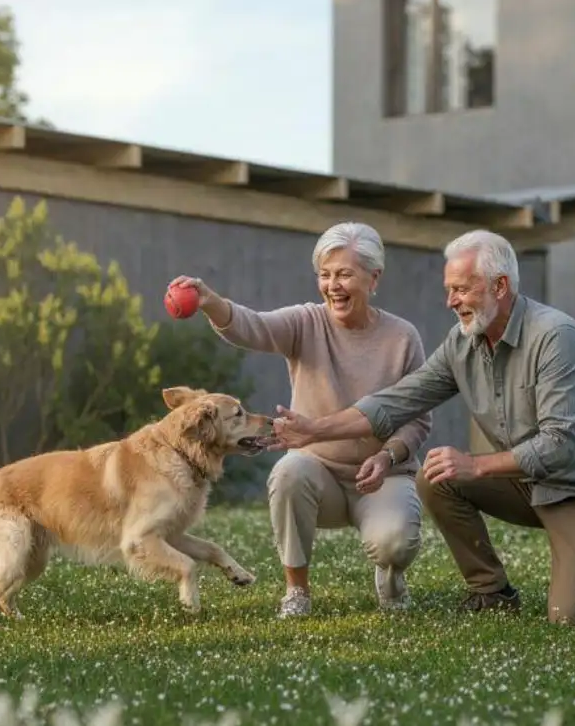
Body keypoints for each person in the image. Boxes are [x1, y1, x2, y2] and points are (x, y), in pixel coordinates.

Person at [270, 229, 575, 624]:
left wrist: (476, 466)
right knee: (438, 476)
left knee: (573, 615)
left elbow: (559, 445)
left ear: (499, 286)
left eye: (461, 289)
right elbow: (398, 400)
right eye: (449, 289)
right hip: (526, 482)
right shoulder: (463, 343)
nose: (450, 301)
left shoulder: (556, 338)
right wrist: (314, 430)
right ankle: (491, 591)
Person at [168, 221, 432, 619]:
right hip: (319, 473)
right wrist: (208, 300)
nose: (333, 285)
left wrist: (389, 457)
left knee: (394, 543)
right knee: (289, 472)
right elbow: (250, 326)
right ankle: (297, 592)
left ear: (373, 277)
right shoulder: (306, 322)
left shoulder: (403, 338)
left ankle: (390, 578)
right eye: (325, 275)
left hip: (382, 475)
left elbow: (418, 419)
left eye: (344, 274)